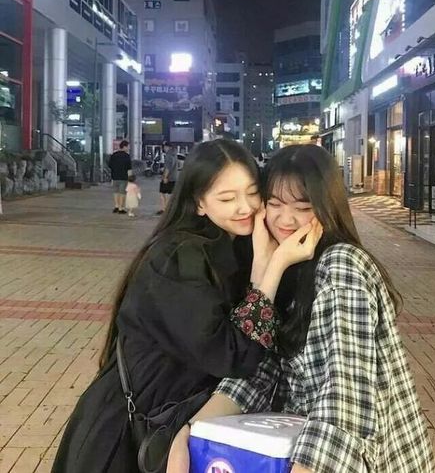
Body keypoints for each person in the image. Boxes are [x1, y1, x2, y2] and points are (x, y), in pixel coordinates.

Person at [51, 140, 319, 473]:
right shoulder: (178, 258)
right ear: (199, 203)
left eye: (253, 193)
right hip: (133, 433)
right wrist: (273, 266)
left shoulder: (235, 245)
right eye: (227, 198)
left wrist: (263, 261)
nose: (245, 207)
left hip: (179, 424)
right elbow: (234, 356)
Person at [169, 144, 435, 473]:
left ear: (327, 208)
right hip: (303, 447)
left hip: (369, 459)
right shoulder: (289, 264)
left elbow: (345, 392)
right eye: (274, 204)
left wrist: (308, 467)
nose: (286, 219)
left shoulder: (342, 265)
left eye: (303, 207)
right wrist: (193, 430)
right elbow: (258, 371)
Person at [108, 140, 132, 214]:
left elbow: (110, 165)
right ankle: (121, 208)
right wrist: (130, 178)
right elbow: (129, 168)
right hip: (123, 177)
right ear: (124, 147)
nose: (128, 148)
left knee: (116, 192)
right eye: (128, 147)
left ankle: (116, 206)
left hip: (114, 176)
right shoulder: (127, 156)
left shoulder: (114, 155)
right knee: (122, 193)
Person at [157, 141, 178, 215]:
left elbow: (168, 167)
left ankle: (164, 209)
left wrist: (165, 177)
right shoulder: (174, 154)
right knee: (170, 194)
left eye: (164, 147)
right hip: (174, 177)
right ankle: (170, 209)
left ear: (167, 147)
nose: (163, 148)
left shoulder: (169, 155)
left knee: (162, 193)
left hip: (168, 177)